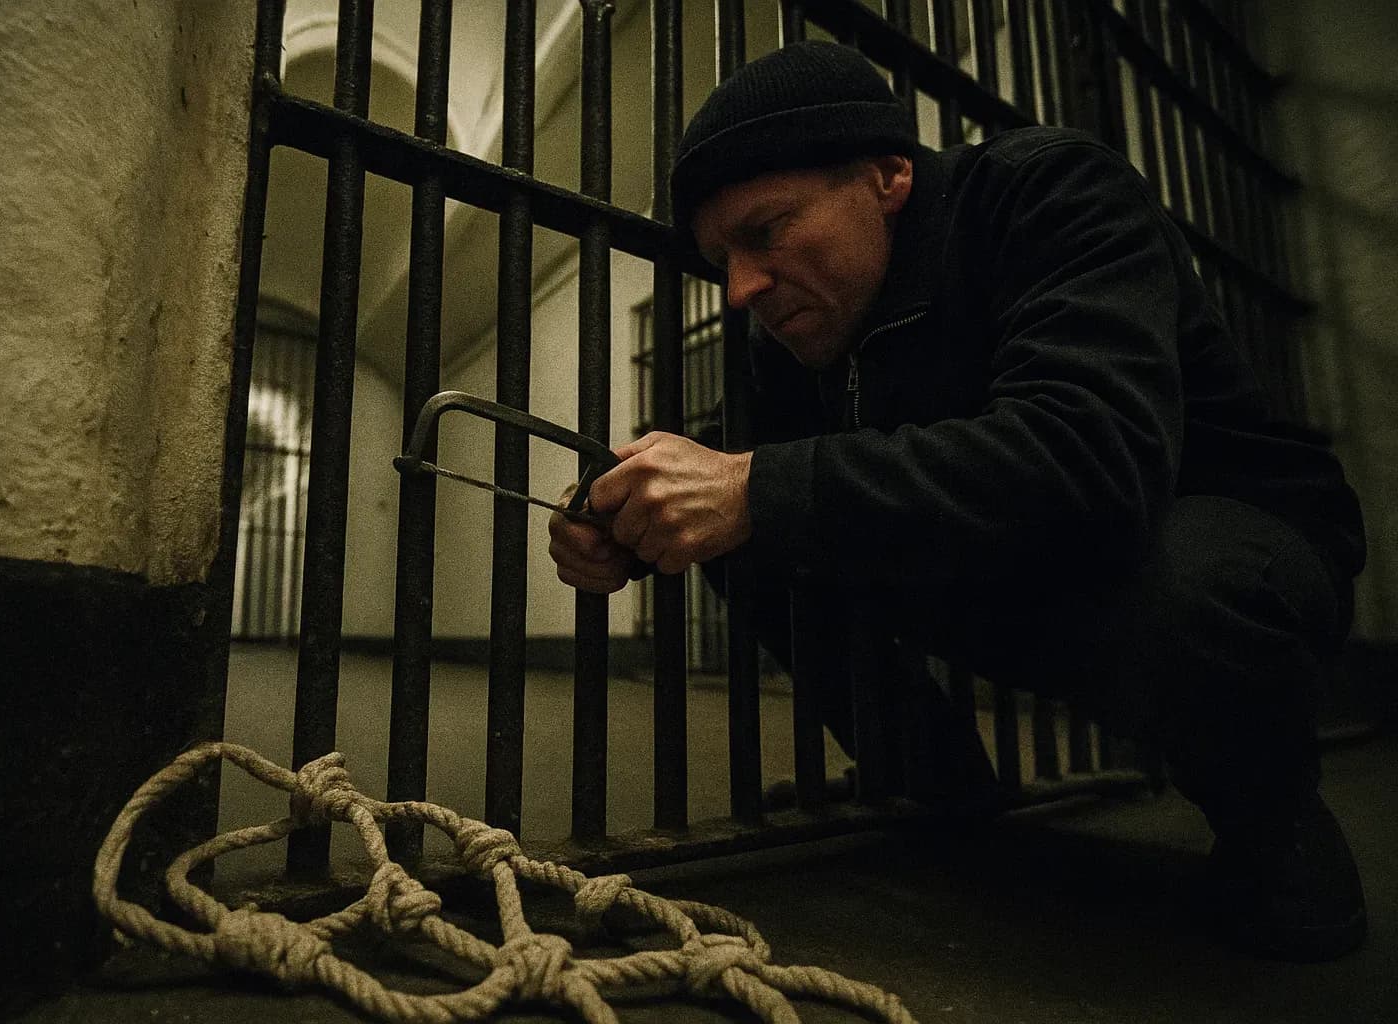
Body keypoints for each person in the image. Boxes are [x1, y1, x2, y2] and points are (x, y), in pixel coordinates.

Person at [546, 40, 1367, 961]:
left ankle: (1276, 828)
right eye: (720, 259)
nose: (740, 289)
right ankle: (930, 780)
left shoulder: (1048, 193)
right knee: (746, 528)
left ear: (888, 175)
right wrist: (627, 514)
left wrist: (750, 484)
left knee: (1186, 586)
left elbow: (1093, 462)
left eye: (766, 232)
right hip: (1017, 567)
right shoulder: (788, 332)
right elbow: (729, 470)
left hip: (1219, 541)